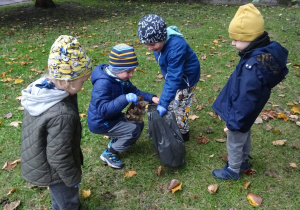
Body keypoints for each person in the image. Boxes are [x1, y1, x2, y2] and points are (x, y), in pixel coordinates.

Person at [211, 3, 289, 181]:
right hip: (247, 111)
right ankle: (244, 161)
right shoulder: (261, 54)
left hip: (241, 111)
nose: (232, 43)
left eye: (236, 39)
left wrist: (235, 122)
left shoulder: (252, 66)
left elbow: (246, 98)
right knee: (244, 133)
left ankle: (233, 170)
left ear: (251, 38)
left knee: (235, 138)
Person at [21, 35, 92, 209]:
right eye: (82, 81)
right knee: (67, 201)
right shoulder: (62, 115)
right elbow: (59, 156)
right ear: (68, 82)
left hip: (43, 159)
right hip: (56, 171)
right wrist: (73, 178)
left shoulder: (43, 91)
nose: (84, 85)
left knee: (59, 197)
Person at [87, 44, 159, 169]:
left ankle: (117, 138)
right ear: (117, 69)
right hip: (101, 122)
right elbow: (103, 110)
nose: (131, 75)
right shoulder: (103, 84)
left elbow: (136, 92)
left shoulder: (120, 79)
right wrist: (124, 99)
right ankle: (110, 152)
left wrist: (152, 98)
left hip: (112, 116)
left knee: (138, 122)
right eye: (128, 71)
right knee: (133, 130)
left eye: (132, 71)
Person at [138, 14, 201, 142]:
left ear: (162, 38)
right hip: (175, 75)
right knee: (172, 101)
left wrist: (164, 102)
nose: (150, 48)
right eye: (146, 45)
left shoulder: (176, 48)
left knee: (180, 107)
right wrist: (167, 100)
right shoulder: (160, 44)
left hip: (186, 79)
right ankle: (172, 117)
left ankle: (183, 133)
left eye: (152, 44)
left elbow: (174, 78)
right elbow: (171, 76)